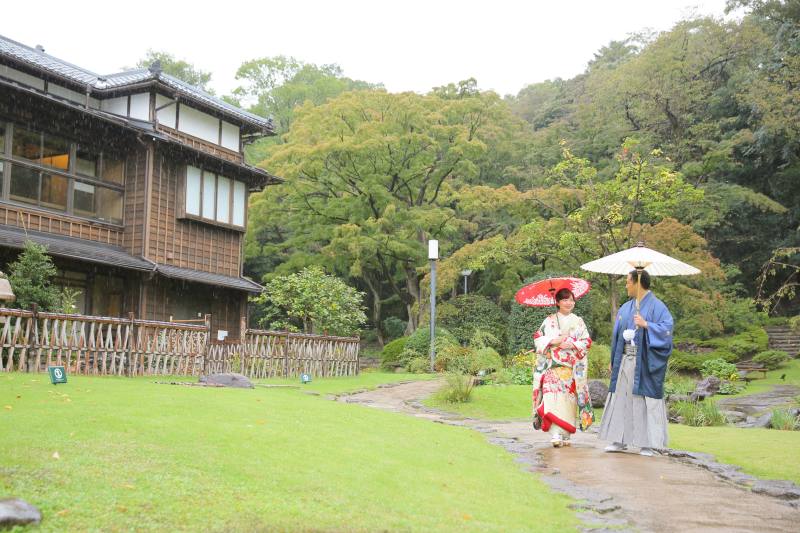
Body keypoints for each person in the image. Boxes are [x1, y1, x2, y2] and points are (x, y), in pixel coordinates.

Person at [599, 269, 674, 456]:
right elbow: (616, 336)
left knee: (643, 400)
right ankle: (619, 439)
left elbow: (667, 330)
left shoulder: (658, 307)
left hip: (644, 361)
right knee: (621, 398)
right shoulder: (625, 308)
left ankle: (647, 443)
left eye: (627, 282)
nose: (626, 285)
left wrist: (647, 325)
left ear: (637, 282)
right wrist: (613, 360)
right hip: (624, 359)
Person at [532, 288, 594, 447]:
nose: (569, 303)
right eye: (565, 300)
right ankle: (555, 433)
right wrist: (554, 340)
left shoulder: (578, 321)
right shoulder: (549, 320)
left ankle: (565, 433)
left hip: (571, 368)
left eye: (572, 300)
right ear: (558, 302)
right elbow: (538, 338)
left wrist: (572, 343)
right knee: (552, 398)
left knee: (569, 401)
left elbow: (587, 341)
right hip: (553, 366)